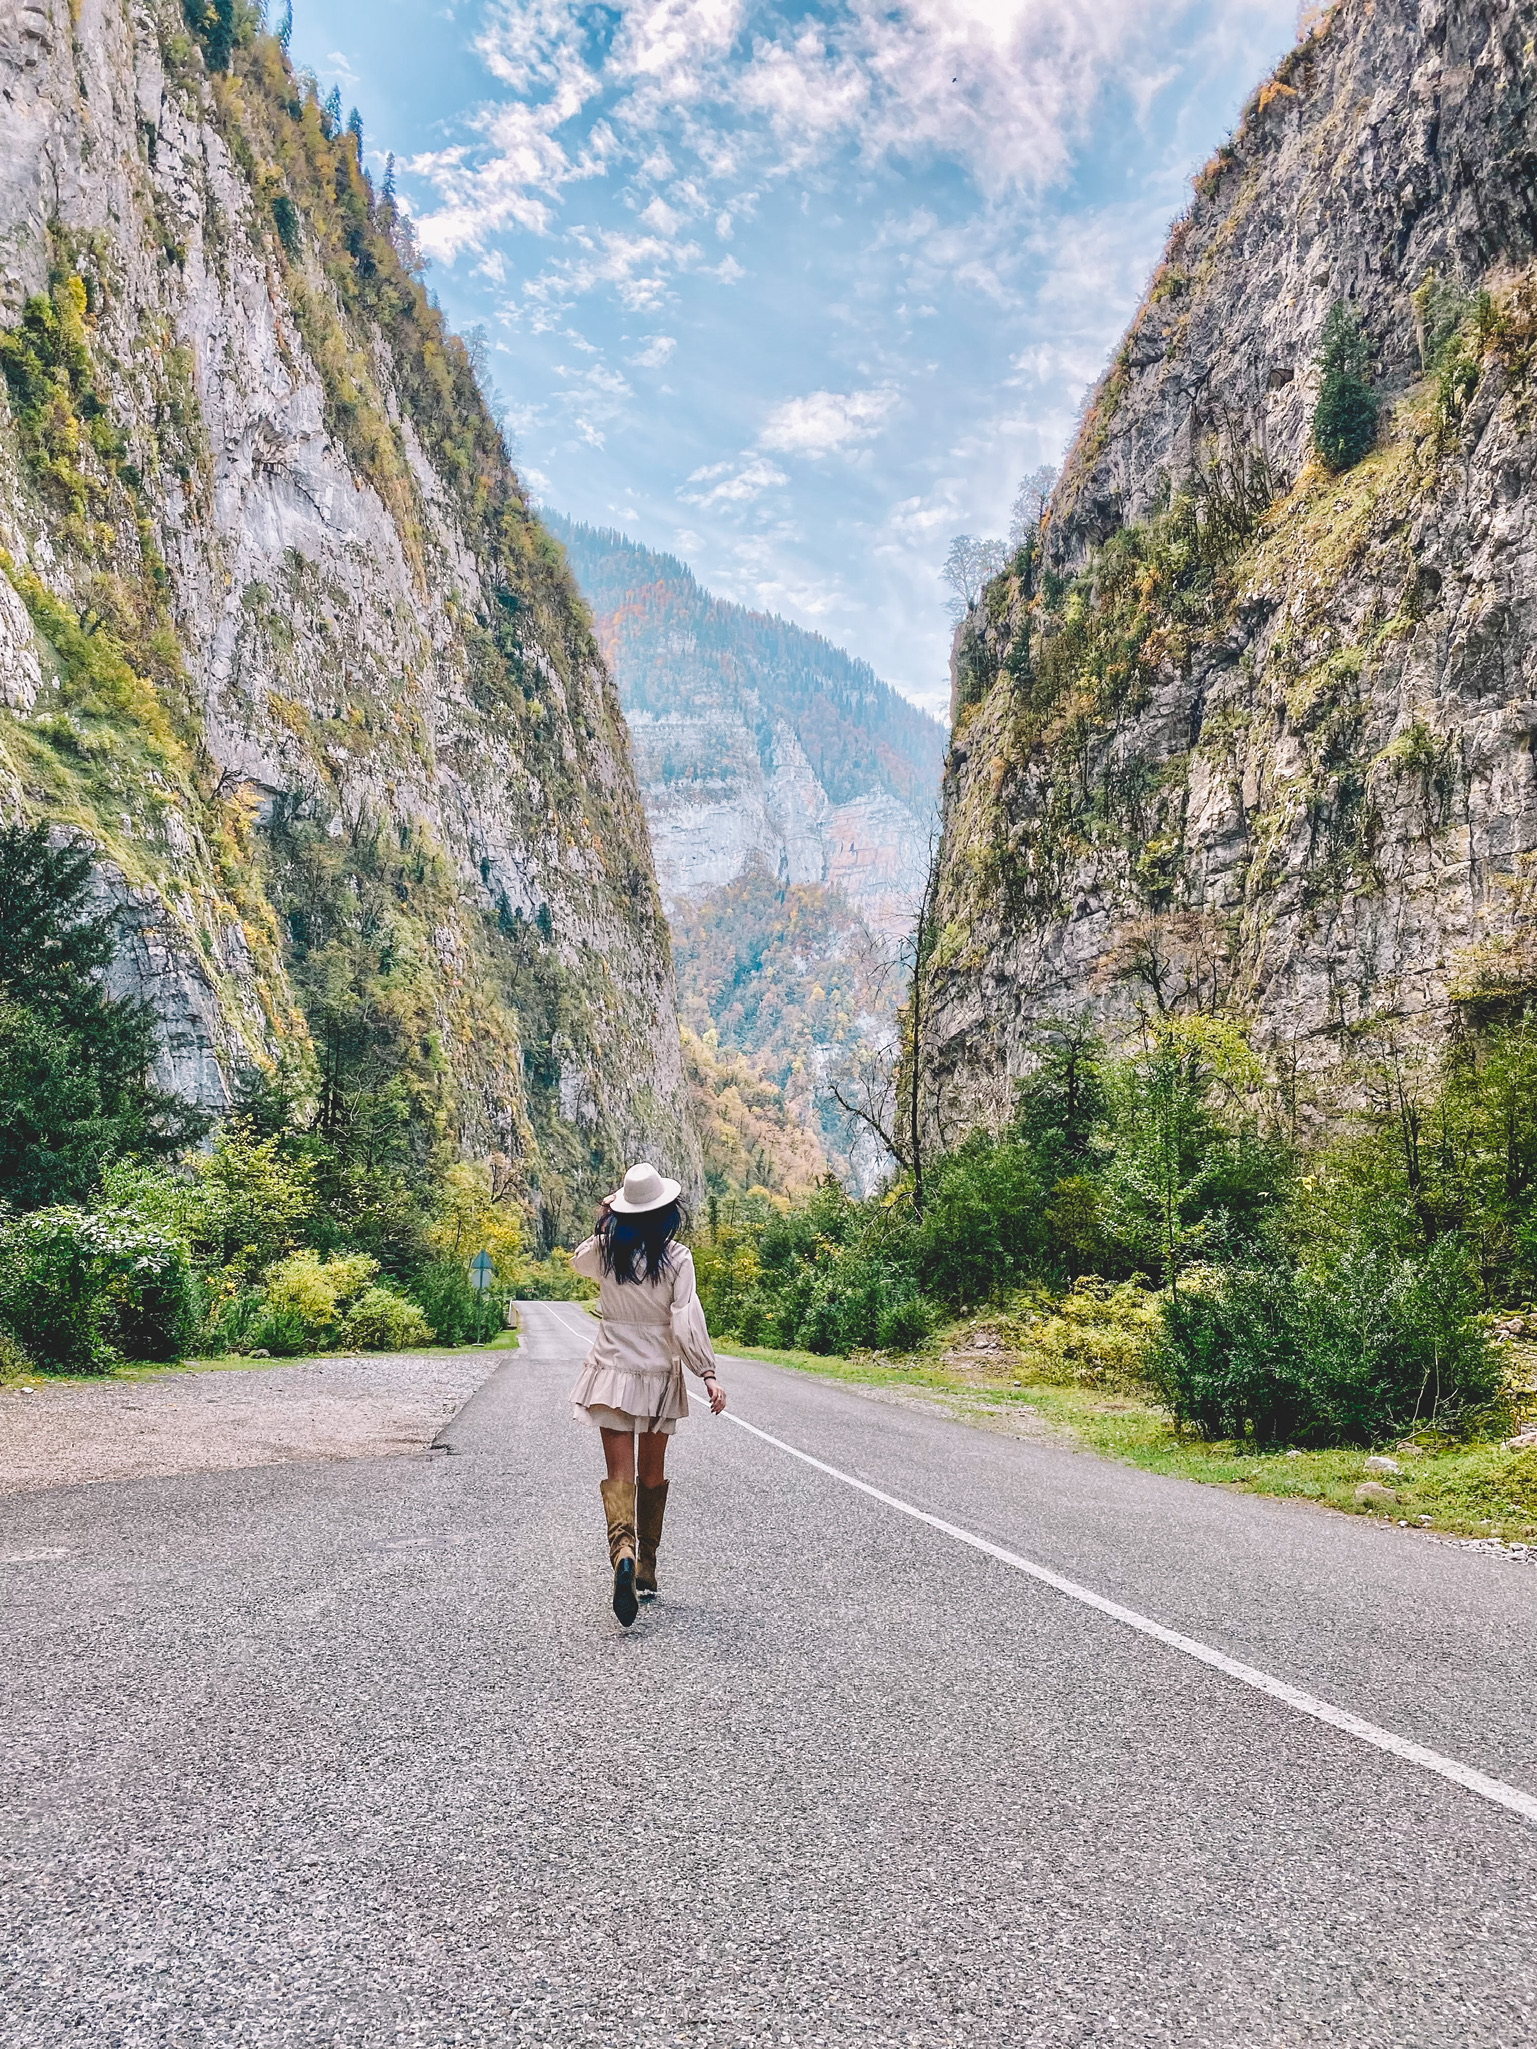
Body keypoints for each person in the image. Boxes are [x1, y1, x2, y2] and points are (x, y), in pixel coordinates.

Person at [569, 1163, 726, 1626]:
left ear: (623, 1210)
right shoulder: (678, 1258)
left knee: (618, 1472)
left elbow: (579, 1258)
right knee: (650, 1475)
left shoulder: (605, 1251)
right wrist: (708, 1372)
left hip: (612, 1370)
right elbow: (685, 1319)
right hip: (659, 1373)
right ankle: (646, 1567)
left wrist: (605, 1217)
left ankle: (622, 1549)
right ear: (666, 1210)